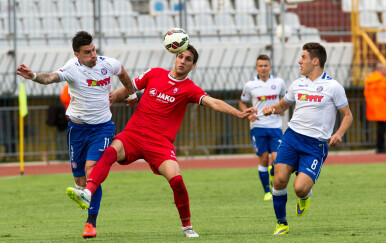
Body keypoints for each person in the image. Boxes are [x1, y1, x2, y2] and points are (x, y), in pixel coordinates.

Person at [65, 45, 257, 238]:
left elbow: (213, 102)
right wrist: (115, 95)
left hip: (160, 144)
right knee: (109, 153)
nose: (183, 61)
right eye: (180, 56)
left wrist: (238, 113)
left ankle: (187, 226)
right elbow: (131, 86)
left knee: (177, 180)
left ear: (193, 65)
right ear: (175, 58)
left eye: (188, 59)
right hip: (133, 135)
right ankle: (88, 192)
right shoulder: (155, 73)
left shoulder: (189, 88)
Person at [16, 31, 136, 239]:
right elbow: (51, 78)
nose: (93, 55)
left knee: (92, 171)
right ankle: (86, 193)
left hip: (102, 128)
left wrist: (131, 93)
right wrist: (34, 76)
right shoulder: (72, 68)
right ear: (77, 54)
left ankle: (91, 222)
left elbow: (123, 73)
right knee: (80, 181)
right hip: (77, 130)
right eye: (87, 52)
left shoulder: (108, 64)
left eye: (94, 50)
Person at [262, 42, 353, 235]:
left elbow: (347, 115)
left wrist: (338, 134)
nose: (299, 61)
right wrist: (272, 109)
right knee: (278, 180)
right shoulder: (297, 84)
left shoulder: (333, 86)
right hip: (292, 138)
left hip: (315, 145)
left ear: (315, 61)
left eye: (303, 57)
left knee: (300, 189)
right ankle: (282, 224)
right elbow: (282, 106)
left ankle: (305, 196)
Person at [239, 54, 287, 201]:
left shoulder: (279, 83)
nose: (263, 68)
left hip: (275, 126)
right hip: (258, 125)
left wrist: (282, 108)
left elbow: (285, 100)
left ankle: (274, 180)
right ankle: (267, 191)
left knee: (277, 159)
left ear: (270, 67)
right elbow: (242, 102)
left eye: (266, 65)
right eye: (261, 65)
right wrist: (248, 114)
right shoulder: (250, 85)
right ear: (256, 68)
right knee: (264, 158)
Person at [364, 63, 386, 153]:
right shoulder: (381, 81)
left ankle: (380, 147)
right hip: (382, 107)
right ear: (380, 69)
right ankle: (381, 148)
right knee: (382, 129)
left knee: (380, 129)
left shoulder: (370, 80)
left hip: (374, 108)